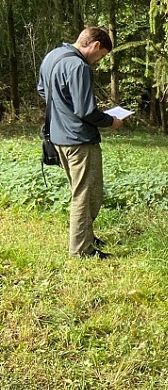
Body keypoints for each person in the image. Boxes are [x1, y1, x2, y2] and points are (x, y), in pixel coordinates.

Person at [37, 27, 123, 259]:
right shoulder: (79, 67)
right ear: (95, 46)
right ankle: (81, 250)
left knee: (82, 192)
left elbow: (43, 91)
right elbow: (86, 110)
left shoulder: (52, 56)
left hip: (58, 137)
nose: (99, 60)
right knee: (86, 195)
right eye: (102, 55)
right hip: (80, 140)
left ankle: (84, 236)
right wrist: (111, 121)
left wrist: (63, 112)